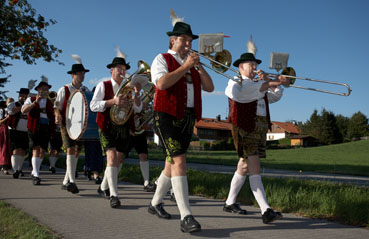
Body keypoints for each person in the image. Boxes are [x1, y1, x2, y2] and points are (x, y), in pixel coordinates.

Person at [148, 11, 214, 233]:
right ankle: (186, 216)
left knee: (171, 163)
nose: (187, 43)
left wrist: (199, 66)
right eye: (183, 40)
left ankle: (155, 203)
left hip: (187, 117)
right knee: (179, 161)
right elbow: (161, 84)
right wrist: (186, 66)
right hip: (165, 115)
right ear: (172, 40)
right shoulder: (161, 59)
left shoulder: (191, 63)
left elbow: (210, 87)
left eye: (190, 40)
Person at [224, 38, 288, 224]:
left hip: (259, 127)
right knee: (254, 165)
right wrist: (268, 83)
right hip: (245, 126)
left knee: (244, 166)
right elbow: (240, 94)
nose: (253, 67)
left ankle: (229, 202)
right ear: (240, 68)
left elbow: (274, 97)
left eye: (255, 64)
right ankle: (265, 210)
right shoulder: (235, 81)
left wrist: (272, 82)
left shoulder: (259, 84)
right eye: (250, 65)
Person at [90, 50, 142, 208]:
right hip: (106, 126)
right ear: (111, 70)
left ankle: (103, 187)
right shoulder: (103, 85)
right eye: (118, 68)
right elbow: (93, 106)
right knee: (111, 158)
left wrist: (137, 95)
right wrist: (111, 101)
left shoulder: (129, 87)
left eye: (124, 68)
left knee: (119, 159)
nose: (122, 71)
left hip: (124, 126)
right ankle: (114, 195)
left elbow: (138, 109)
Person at [54, 55, 90, 194]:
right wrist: (57, 115)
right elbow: (56, 104)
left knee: (76, 152)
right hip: (67, 123)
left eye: (83, 73)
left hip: (81, 125)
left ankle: (65, 181)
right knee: (70, 149)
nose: (82, 75)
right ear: (73, 75)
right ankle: (72, 181)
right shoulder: (64, 89)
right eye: (80, 73)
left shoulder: (86, 90)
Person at [22, 78, 56, 185]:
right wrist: (35, 102)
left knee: (43, 150)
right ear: (38, 90)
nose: (44, 90)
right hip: (34, 126)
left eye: (46, 88)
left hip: (46, 127)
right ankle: (36, 174)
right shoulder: (31, 99)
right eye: (42, 88)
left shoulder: (51, 101)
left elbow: (56, 112)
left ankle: (34, 170)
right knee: (36, 148)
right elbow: (23, 110)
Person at [7, 88, 30, 178]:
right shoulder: (13, 104)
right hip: (15, 130)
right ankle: (15, 170)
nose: (23, 97)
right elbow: (11, 112)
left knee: (23, 151)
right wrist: (23, 106)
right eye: (21, 96)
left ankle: (19, 169)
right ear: (18, 96)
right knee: (16, 150)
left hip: (26, 131)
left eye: (25, 96)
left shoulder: (29, 105)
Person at [0, 100, 11, 175]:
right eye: (9, 102)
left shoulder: (9, 111)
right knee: (3, 147)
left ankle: (4, 165)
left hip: (7, 129)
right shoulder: (1, 111)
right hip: (2, 129)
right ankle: (3, 166)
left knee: (6, 148)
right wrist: (8, 117)